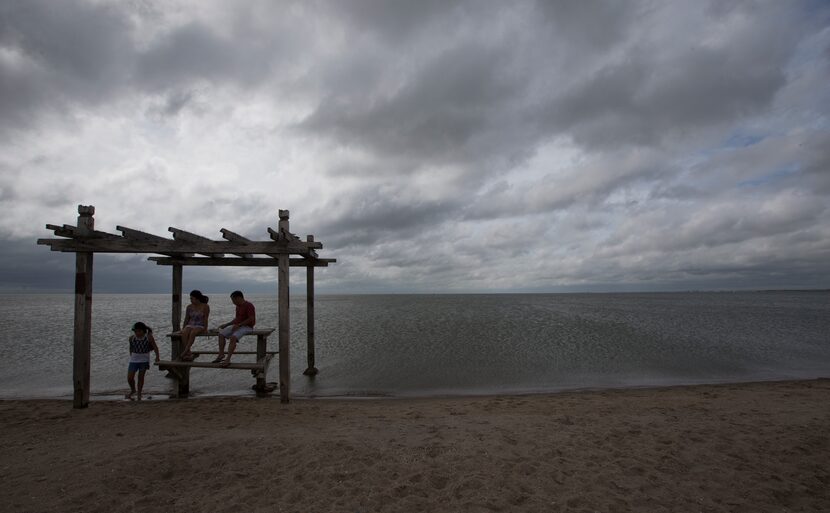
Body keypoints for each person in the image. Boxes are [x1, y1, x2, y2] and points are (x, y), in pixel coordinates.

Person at [213, 290, 255, 366]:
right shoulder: (238, 307)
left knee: (233, 337)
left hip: (248, 327)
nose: (233, 302)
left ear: (238, 298)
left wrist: (239, 325)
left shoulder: (249, 305)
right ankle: (221, 354)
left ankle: (228, 359)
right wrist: (227, 324)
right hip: (238, 325)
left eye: (233, 300)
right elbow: (237, 318)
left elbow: (251, 319)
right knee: (221, 334)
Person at [126, 321, 160, 401]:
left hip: (144, 360)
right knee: (130, 378)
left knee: (140, 377)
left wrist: (157, 357)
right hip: (134, 360)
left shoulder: (148, 337)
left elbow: (155, 347)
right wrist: (131, 355)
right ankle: (133, 389)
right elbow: (131, 347)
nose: (137, 333)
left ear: (143, 330)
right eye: (136, 331)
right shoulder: (132, 338)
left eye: (139, 331)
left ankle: (139, 394)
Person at [180, 290, 210, 361]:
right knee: (184, 333)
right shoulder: (189, 307)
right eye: (190, 298)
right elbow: (186, 318)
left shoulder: (205, 306)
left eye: (192, 298)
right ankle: (188, 352)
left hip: (200, 325)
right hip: (190, 324)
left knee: (193, 333)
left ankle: (185, 351)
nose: (190, 300)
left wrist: (205, 329)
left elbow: (206, 318)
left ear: (197, 298)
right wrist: (183, 328)